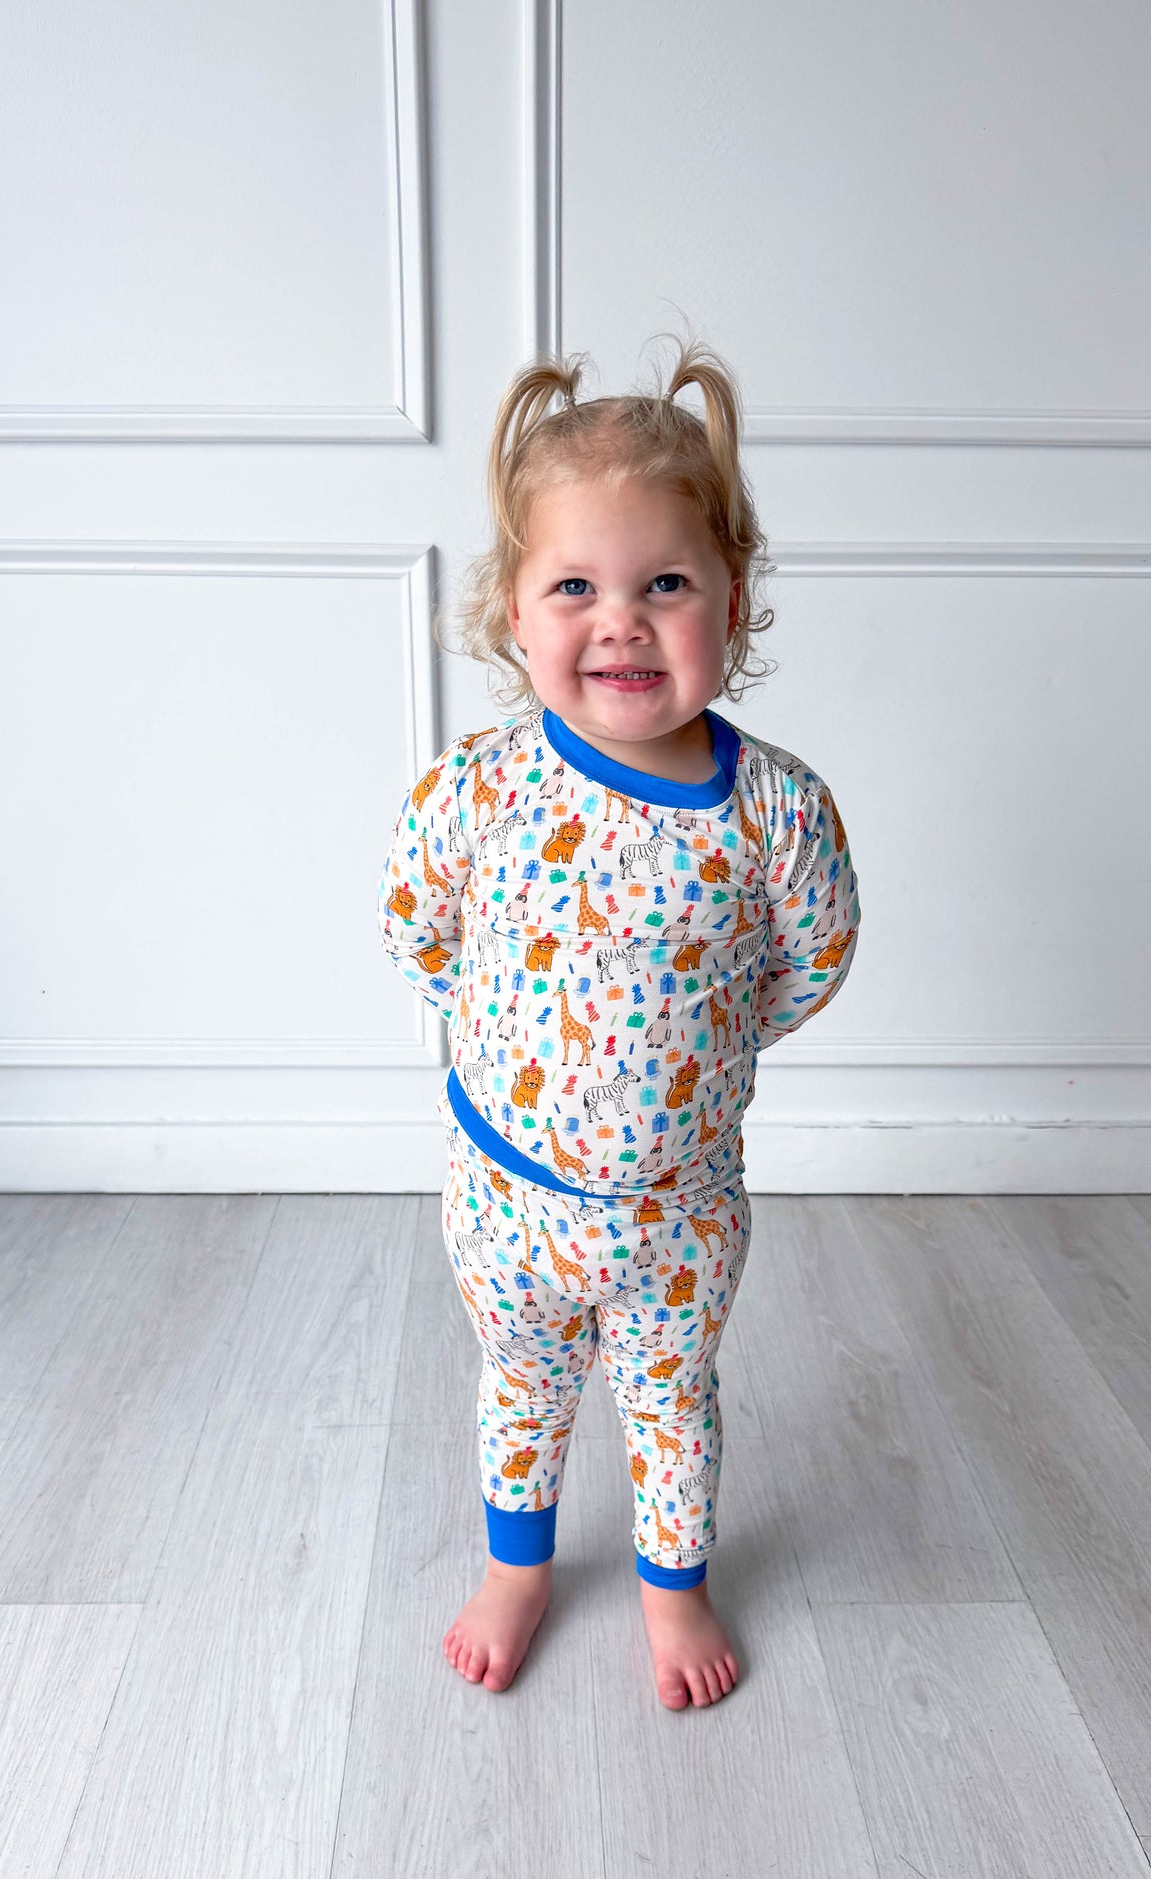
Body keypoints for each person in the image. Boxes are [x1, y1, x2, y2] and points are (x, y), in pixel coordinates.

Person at [377, 333, 862, 1710]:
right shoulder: (475, 790)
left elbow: (812, 958)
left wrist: (695, 1066)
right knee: (519, 1386)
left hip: (678, 1211)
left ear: (732, 596)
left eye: (665, 584)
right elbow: (418, 931)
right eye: (575, 586)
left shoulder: (775, 808)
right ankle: (517, 1567)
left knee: (669, 1399)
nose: (621, 622)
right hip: (508, 1194)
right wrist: (517, 1053)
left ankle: (675, 1585)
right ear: (514, 612)